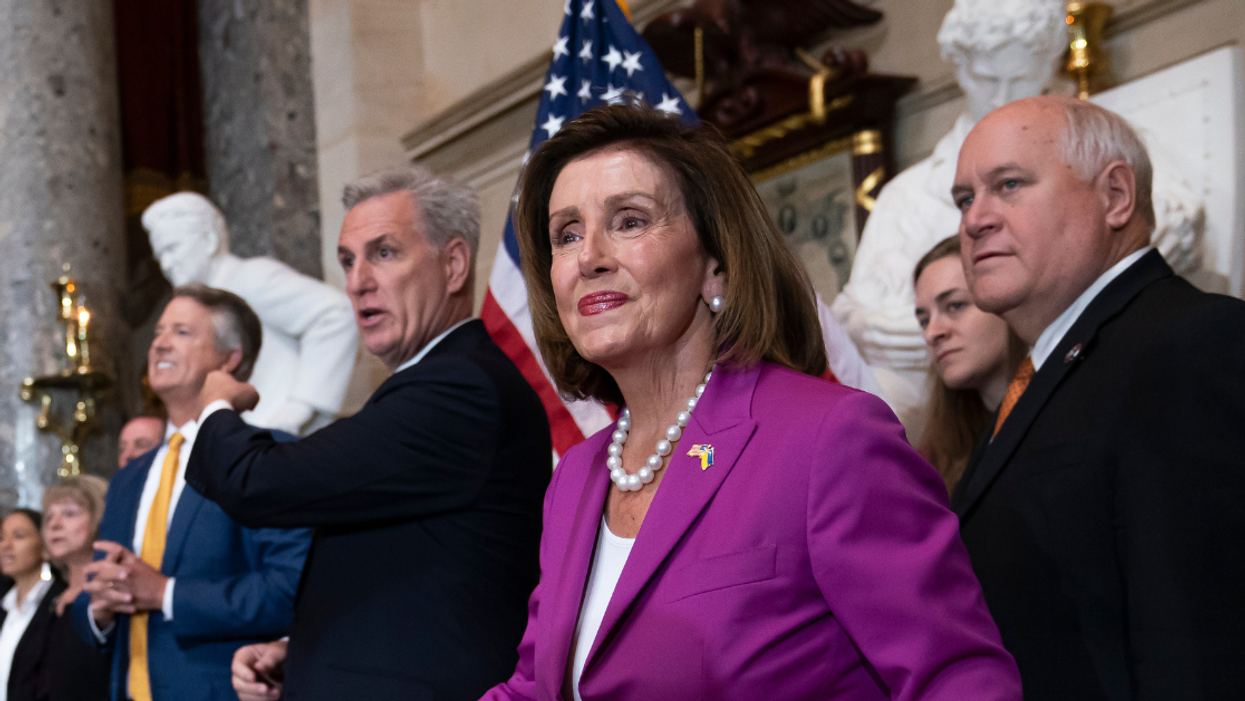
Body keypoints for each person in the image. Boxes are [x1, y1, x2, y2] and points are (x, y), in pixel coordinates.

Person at [480, 105, 1020, 701]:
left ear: (715, 265)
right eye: (567, 235)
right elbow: (534, 688)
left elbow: (957, 678)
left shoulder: (827, 438)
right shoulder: (576, 480)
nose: (589, 257)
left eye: (629, 221)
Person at [183, 166, 552, 701]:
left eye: (384, 252)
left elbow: (258, 482)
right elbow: (409, 572)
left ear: (453, 265)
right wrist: (306, 650)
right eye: (348, 260)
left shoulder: (458, 388)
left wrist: (217, 404)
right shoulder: (436, 383)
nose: (357, 282)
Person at [949, 95, 1245, 699]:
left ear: (1115, 196)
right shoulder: (1055, 364)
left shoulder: (1191, 341)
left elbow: (1202, 635)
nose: (975, 218)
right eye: (964, 198)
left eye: (1008, 185)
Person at [72, 285, 311, 701]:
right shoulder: (129, 478)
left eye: (181, 332)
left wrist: (165, 592)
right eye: (159, 330)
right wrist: (99, 608)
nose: (159, 342)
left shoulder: (271, 456)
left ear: (229, 358)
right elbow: (91, 592)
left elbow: (292, 589)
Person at [143, 192, 358, 435]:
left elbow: (336, 313)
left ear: (210, 240)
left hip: (275, 435)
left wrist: (300, 405)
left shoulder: (250, 278)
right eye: (160, 255)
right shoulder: (193, 303)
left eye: (172, 248)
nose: (167, 264)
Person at [912, 235, 1024, 491]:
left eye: (955, 305)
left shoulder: (1067, 410)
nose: (932, 333)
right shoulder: (933, 459)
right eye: (923, 320)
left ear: (1005, 302)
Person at [43, 476, 111, 701]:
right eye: (49, 517)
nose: (54, 524)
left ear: (99, 519)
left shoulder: (109, 597)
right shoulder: (50, 598)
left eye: (69, 514)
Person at [0, 509, 59, 701]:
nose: (5, 545)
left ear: (44, 547)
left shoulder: (59, 603)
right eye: (1, 537)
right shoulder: (5, 604)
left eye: (19, 536)